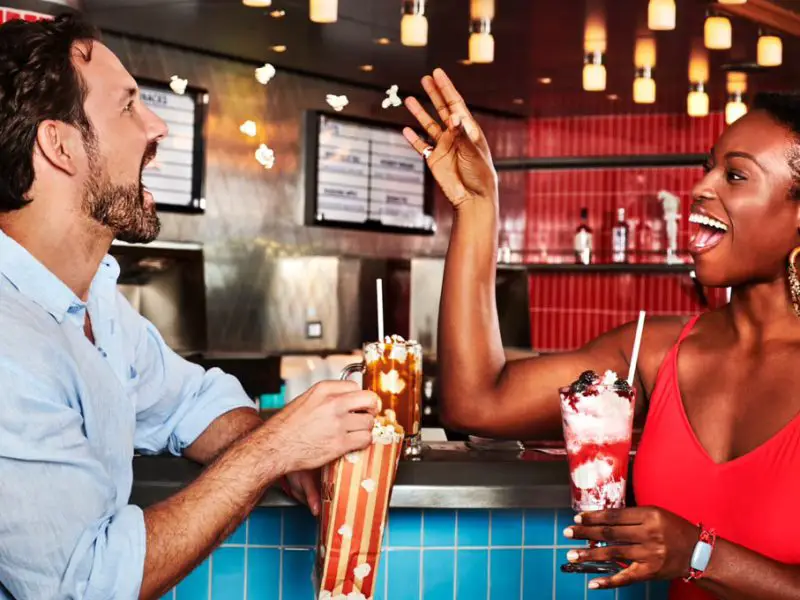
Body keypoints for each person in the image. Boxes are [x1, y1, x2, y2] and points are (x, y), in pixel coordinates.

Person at [0, 15, 378, 600]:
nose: (157, 127)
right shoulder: (9, 341)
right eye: (128, 107)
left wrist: (288, 449)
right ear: (59, 145)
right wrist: (271, 451)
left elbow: (189, 405)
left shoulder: (93, 296)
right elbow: (88, 584)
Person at [402, 68, 800, 599]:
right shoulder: (659, 352)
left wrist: (699, 554)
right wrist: (477, 205)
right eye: (707, 168)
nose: (699, 188)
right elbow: (477, 402)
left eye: (734, 176)